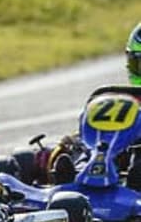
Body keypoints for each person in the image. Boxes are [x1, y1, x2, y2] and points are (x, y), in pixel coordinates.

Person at [48, 21, 141, 186]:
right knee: (90, 146)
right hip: (120, 155)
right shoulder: (127, 100)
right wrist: (73, 141)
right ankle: (75, 173)